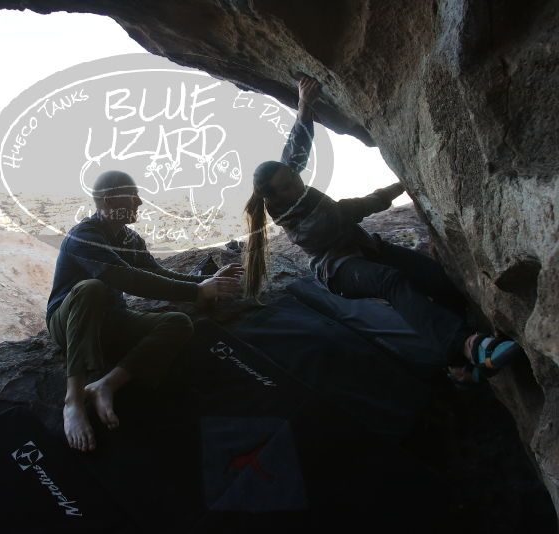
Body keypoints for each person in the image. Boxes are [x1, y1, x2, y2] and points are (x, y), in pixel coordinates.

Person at [242, 75, 524, 385]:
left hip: (367, 249)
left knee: (438, 280)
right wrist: (399, 187)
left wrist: (303, 105)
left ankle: (459, 366)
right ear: (274, 196)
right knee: (391, 281)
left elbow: (296, 150)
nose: (297, 180)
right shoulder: (298, 221)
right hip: (340, 269)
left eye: (293, 176)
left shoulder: (284, 184)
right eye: (288, 184)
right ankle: (471, 346)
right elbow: (351, 210)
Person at [46, 170, 244, 452]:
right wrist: (196, 292)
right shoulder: (83, 236)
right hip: (68, 323)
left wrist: (206, 283)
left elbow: (154, 273)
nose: (139, 202)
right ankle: (74, 400)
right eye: (132, 195)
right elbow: (126, 279)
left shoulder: (129, 239)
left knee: (178, 323)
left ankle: (106, 385)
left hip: (112, 322)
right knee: (92, 288)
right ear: (107, 200)